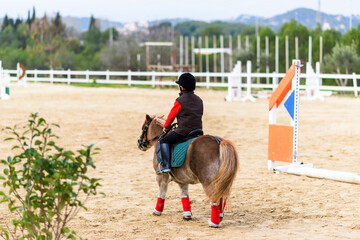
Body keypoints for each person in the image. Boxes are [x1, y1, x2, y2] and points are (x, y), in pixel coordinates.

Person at [158, 72, 204, 174]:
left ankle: (166, 166)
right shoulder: (199, 100)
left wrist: (166, 126)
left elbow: (171, 117)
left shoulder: (180, 100)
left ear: (181, 87)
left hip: (183, 131)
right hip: (198, 130)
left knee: (163, 141)